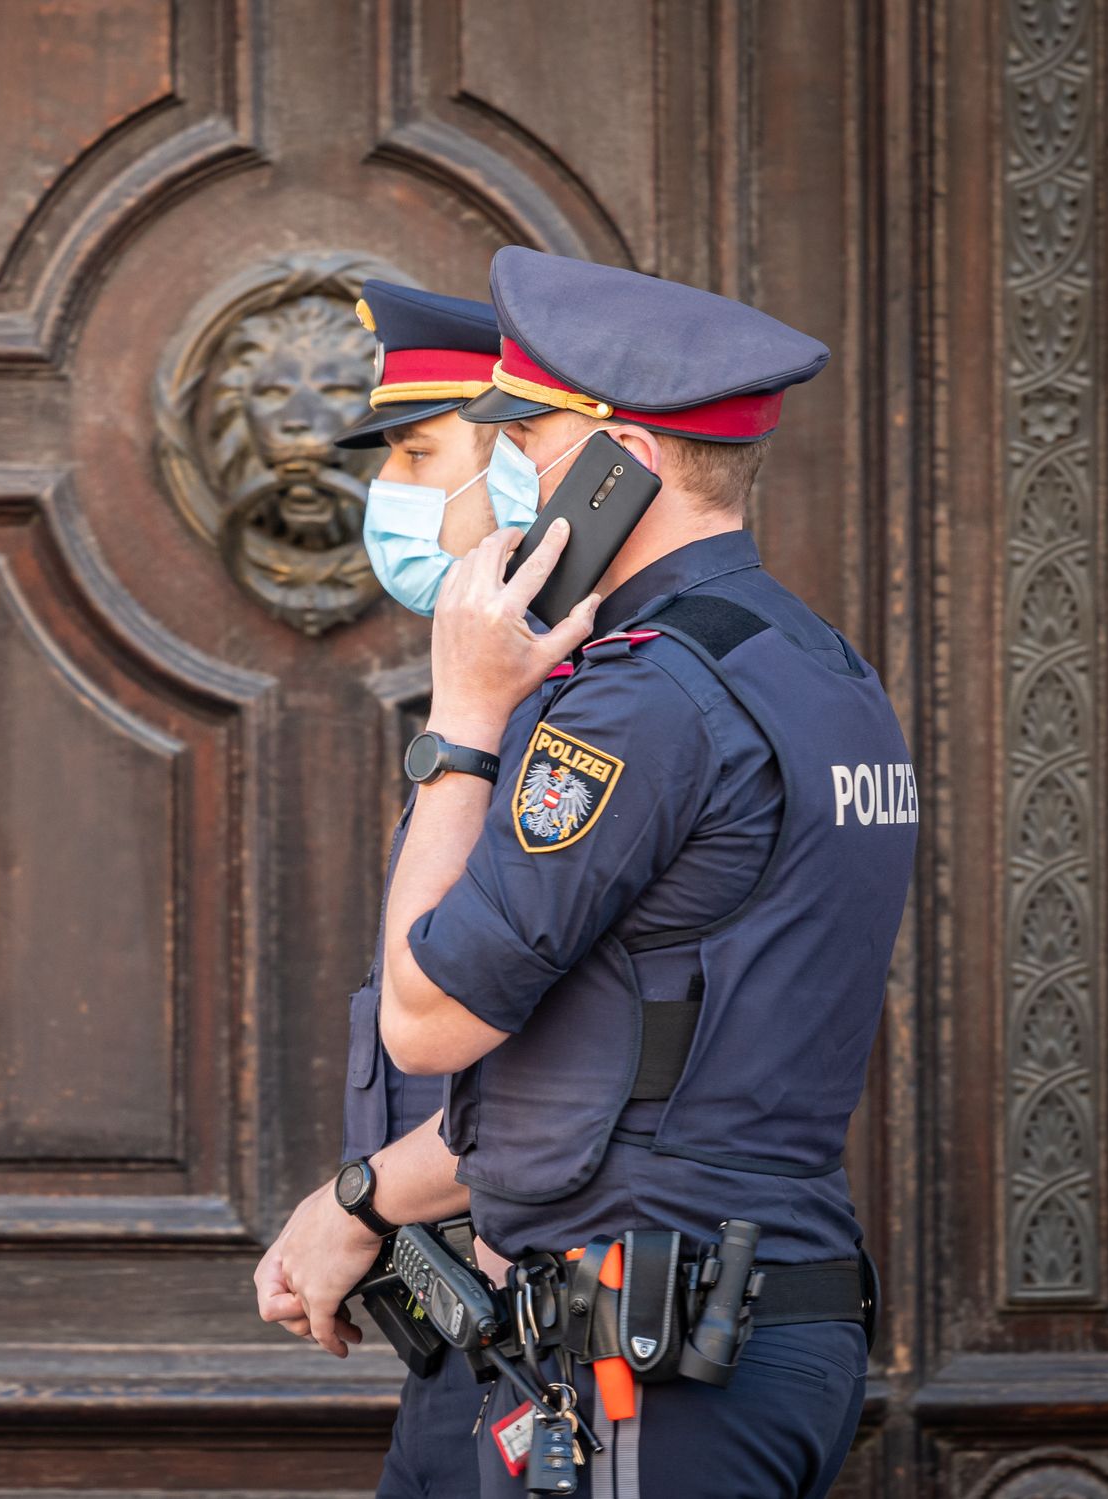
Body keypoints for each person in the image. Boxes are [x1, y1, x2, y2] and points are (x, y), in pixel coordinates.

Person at [255, 247, 917, 1499]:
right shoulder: (811, 664)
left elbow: (429, 1015)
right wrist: (362, 1193)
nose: (510, 468)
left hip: (639, 1366)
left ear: (629, 463)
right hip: (691, 1330)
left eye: (530, 438)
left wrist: (460, 720)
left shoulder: (635, 701)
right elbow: (621, 1061)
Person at [284, 278, 535, 1498]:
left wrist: (357, 1203)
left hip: (545, 1327)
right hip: (465, 1325)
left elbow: (577, 1073)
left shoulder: (562, 718)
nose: (390, 491)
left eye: (420, 451)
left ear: (522, 465)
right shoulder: (496, 699)